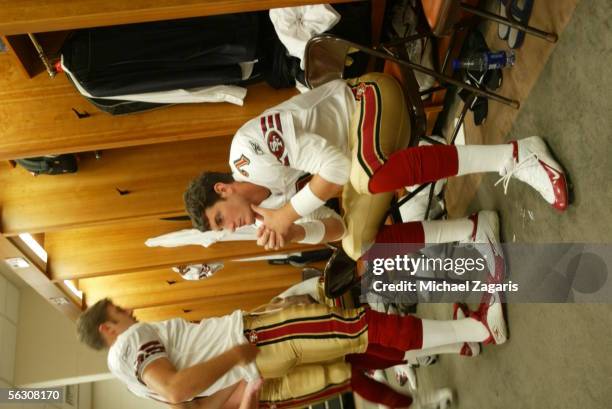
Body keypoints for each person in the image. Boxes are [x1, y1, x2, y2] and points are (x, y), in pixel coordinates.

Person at [183, 73, 569, 262]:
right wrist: (295, 230)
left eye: (220, 220)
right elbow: (335, 229)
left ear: (223, 189)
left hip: (367, 100)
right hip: (358, 156)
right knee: (356, 246)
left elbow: (334, 169)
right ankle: (472, 229)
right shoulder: (267, 213)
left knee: (368, 175)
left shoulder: (246, 151)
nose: (230, 228)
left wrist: (287, 213)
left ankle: (517, 154)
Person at [76, 295, 506, 409]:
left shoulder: (130, 382)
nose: (130, 311)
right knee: (356, 328)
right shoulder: (130, 344)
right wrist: (238, 357)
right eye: (120, 311)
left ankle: (462, 337)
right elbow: (177, 390)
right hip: (254, 344)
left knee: (356, 354)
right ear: (108, 328)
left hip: (256, 365)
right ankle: (477, 328)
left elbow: (193, 406)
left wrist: (245, 386)